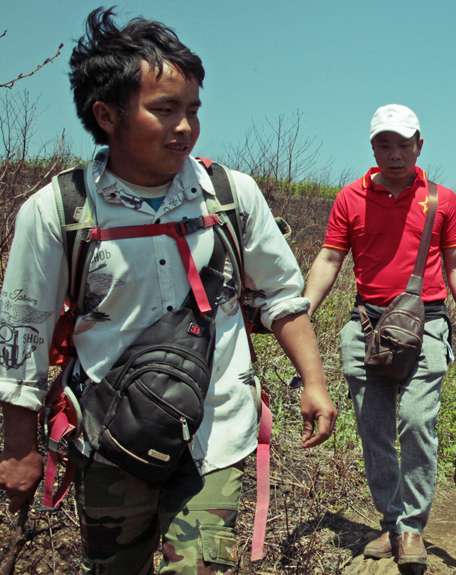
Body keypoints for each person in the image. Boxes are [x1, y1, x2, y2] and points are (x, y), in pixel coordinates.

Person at [0, 9, 337, 573]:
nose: (185, 126)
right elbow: (22, 334)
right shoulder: (60, 211)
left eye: (192, 110)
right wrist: (18, 447)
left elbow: (280, 295)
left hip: (219, 430)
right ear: (106, 115)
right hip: (108, 437)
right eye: (165, 110)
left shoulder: (229, 195)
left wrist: (315, 382)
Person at [303, 104, 456, 567]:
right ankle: (393, 522)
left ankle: (411, 528)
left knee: (418, 420)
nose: (395, 154)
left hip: (425, 324)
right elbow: (329, 260)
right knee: (375, 429)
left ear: (419, 146)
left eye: (404, 144)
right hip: (366, 324)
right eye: (385, 144)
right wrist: (301, 313)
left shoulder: (442, 200)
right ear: (373, 148)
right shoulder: (350, 198)